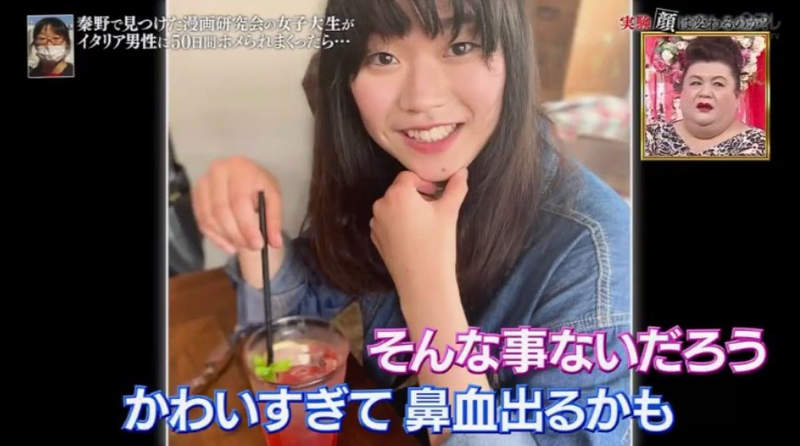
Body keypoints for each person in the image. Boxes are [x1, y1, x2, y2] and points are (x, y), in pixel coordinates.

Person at [191, 0, 630, 444]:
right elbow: (293, 331)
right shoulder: (389, 171)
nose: (422, 100)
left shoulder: (594, 248)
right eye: (382, 56)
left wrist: (425, 285)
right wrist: (255, 231)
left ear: (512, 56)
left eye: (461, 46)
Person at [645, 36, 765, 156]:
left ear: (737, 96)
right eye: (696, 83)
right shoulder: (651, 138)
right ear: (681, 90)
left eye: (718, 84)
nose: (705, 93)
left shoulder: (759, 145)